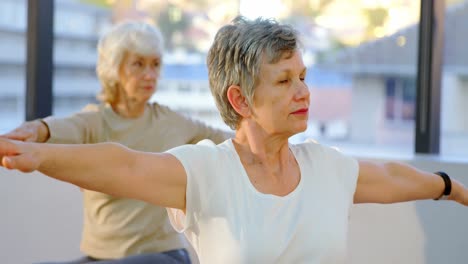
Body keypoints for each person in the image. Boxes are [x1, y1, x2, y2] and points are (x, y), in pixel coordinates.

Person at [1, 16, 467, 264]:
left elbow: (389, 176)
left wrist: (451, 186)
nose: (304, 91)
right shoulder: (207, 171)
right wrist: (38, 152)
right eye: (284, 81)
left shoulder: (327, 167)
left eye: (303, 76)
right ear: (240, 100)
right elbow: (124, 165)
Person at [1, 21, 232, 263]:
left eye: (155, 64)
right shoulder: (95, 121)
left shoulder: (172, 121)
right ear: (115, 68)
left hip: (163, 256)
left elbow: (231, 142)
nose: (150, 74)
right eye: (138, 64)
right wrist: (32, 131)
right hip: (100, 258)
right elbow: (58, 128)